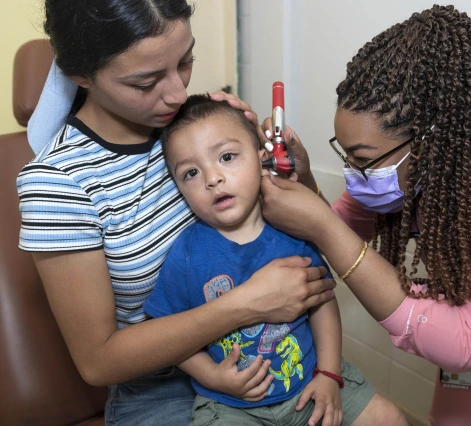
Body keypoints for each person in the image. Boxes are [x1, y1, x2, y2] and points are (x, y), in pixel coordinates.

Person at [17, 1, 339, 424]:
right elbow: (98, 362)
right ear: (80, 76)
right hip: (161, 388)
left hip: (274, 346)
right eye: (146, 81)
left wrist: (299, 175)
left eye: (185, 61)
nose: (177, 93)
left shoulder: (192, 125)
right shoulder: (58, 183)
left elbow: (302, 231)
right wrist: (247, 304)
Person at [259, 5, 471, 426]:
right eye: (345, 156)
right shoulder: (420, 168)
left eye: (362, 159)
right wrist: (306, 183)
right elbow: (338, 227)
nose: (354, 173)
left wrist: (324, 225)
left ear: (431, 140)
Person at [142, 94, 403, 426]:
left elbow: (322, 304)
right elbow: (169, 334)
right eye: (191, 173)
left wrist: (327, 374)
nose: (212, 178)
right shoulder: (186, 254)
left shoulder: (292, 230)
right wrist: (211, 377)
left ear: (261, 157)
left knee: (389, 417)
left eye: (226, 157)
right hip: (232, 406)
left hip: (310, 383)